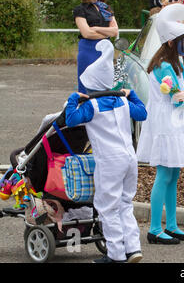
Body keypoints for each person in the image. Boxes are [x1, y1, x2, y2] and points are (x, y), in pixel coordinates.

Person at [65, 39, 147, 263]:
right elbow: (142, 114)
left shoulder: (91, 106)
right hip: (130, 158)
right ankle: (133, 248)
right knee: (125, 203)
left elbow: (71, 119)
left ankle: (116, 255)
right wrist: (132, 95)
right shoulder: (121, 101)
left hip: (110, 161)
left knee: (107, 207)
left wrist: (74, 98)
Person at [136, 4, 184, 245]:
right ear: (172, 42)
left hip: (176, 123)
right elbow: (178, 96)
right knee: (164, 174)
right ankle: (154, 229)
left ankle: (171, 225)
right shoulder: (164, 64)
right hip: (165, 125)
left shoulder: (177, 63)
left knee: (174, 174)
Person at [73, 0, 118, 94]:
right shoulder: (80, 9)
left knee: (105, 86)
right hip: (88, 50)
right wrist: (106, 33)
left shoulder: (106, 8)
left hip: (105, 51)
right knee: (86, 87)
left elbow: (115, 31)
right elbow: (86, 33)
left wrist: (97, 28)